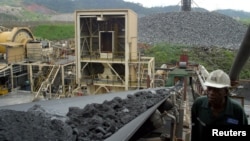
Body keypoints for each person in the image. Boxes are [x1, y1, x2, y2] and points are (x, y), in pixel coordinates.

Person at [191, 69, 248, 141]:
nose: (211, 93)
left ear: (226, 92)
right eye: (209, 88)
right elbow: (194, 130)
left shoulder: (237, 111)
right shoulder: (198, 104)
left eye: (216, 90)